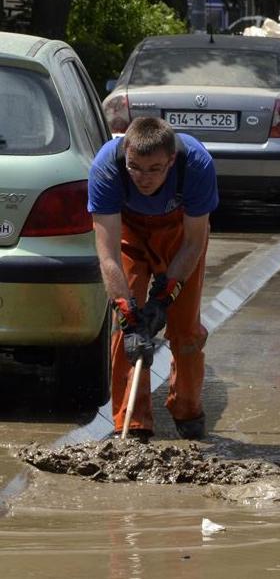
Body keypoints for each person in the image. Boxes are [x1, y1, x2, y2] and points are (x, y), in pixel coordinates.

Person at [88, 116, 218, 441]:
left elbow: (193, 243)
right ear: (126, 153)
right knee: (126, 333)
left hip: (179, 237)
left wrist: (164, 298)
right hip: (129, 231)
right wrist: (130, 316)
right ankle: (132, 425)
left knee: (185, 329)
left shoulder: (196, 165)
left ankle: (186, 408)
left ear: (171, 160)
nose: (142, 179)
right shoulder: (107, 166)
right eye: (135, 167)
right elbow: (108, 256)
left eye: (154, 169)